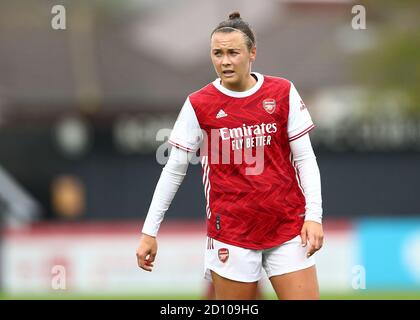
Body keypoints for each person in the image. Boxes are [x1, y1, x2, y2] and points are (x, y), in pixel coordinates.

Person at [137, 11, 324, 300]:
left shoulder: (282, 91)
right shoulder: (198, 104)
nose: (225, 61)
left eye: (233, 52)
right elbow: (174, 170)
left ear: (252, 53)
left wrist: (314, 216)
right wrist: (150, 231)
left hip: (287, 227)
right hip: (232, 234)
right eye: (218, 53)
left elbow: (305, 159)